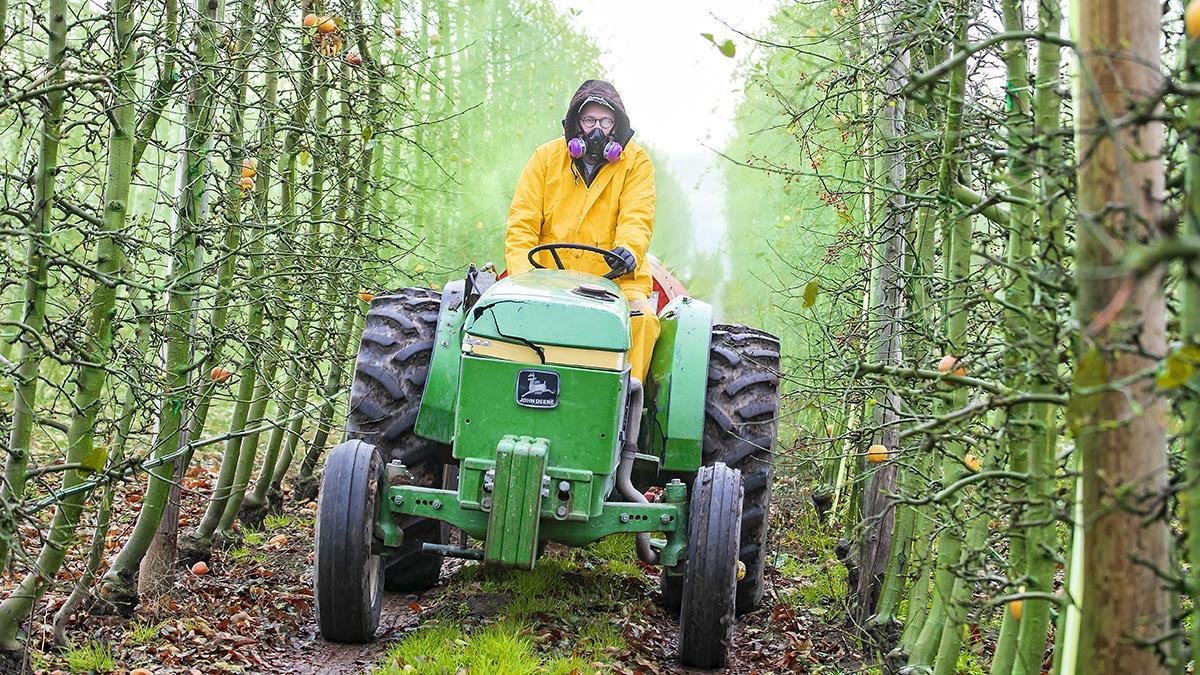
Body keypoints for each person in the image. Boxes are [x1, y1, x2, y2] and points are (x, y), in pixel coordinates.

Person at [504, 79, 659, 383]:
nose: (596, 129)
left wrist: (628, 249)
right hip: (545, 280)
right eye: (589, 120)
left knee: (642, 320)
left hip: (615, 283)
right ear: (576, 123)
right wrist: (524, 279)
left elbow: (638, 216)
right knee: (500, 318)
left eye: (605, 120)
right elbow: (521, 224)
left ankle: (627, 404)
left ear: (617, 125)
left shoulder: (636, 163)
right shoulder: (545, 159)